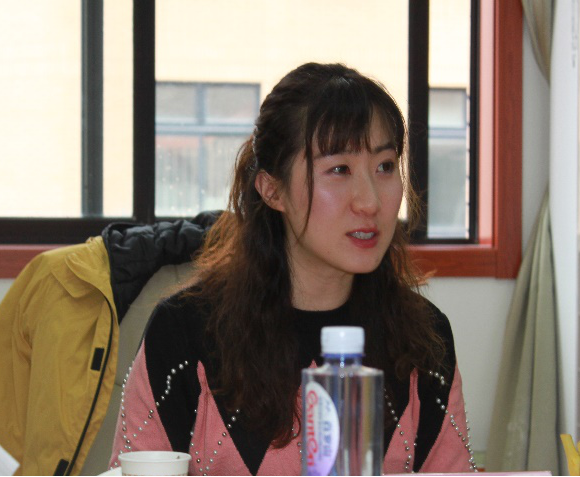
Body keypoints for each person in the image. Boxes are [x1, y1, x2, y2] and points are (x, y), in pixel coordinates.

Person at [109, 62, 477, 475]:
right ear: (272, 190)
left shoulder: (424, 339)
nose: (370, 201)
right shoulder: (182, 334)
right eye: (339, 170)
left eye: (385, 166)